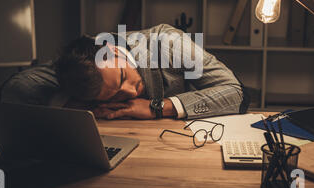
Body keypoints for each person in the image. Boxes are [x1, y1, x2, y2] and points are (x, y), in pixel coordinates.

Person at [53, 24, 250, 120]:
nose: (130, 92)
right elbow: (25, 83)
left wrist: (156, 107)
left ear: (111, 49)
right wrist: (73, 104)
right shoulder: (79, 62)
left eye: (122, 76)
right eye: (115, 94)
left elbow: (237, 93)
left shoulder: (170, 43)